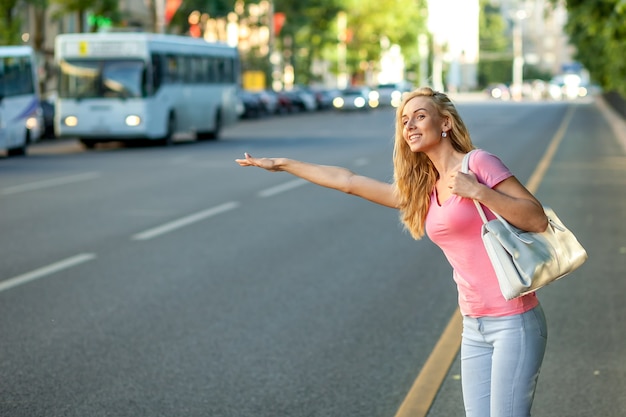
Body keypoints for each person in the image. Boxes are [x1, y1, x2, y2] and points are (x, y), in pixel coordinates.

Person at [235, 86, 549, 417]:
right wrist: (283, 164)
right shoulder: (425, 191)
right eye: (404, 120)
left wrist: (479, 192)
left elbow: (537, 218)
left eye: (420, 116)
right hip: (474, 325)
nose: (410, 125)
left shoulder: (478, 163)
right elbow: (349, 181)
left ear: (445, 123)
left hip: (514, 321)